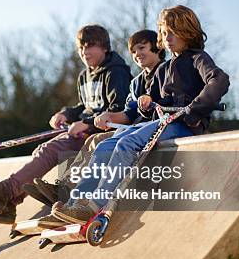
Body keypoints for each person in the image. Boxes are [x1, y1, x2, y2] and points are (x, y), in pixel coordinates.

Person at [51, 5, 230, 224]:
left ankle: (96, 204)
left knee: (128, 143)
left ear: (188, 32)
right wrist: (146, 103)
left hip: (185, 124)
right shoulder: (165, 69)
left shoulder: (197, 58)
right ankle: (74, 204)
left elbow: (219, 80)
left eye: (173, 32)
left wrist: (195, 108)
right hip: (162, 121)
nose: (167, 37)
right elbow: (148, 104)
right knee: (105, 145)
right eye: (164, 33)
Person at [0, 24, 132, 224]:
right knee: (42, 149)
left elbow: (119, 108)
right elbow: (85, 105)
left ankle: (6, 193)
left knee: (52, 148)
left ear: (104, 47)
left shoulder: (116, 72)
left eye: (90, 46)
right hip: (84, 130)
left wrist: (88, 124)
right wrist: (66, 113)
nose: (84, 52)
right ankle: (9, 202)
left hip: (104, 133)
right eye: (81, 48)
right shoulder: (84, 75)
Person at [31, 29, 166, 227]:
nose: (137, 54)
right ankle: (72, 204)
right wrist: (108, 117)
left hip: (156, 128)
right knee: (102, 145)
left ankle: (92, 202)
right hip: (133, 128)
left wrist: (151, 103)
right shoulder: (137, 82)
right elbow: (127, 113)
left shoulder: (166, 70)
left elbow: (172, 101)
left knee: (102, 142)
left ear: (158, 48)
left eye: (142, 48)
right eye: (134, 51)